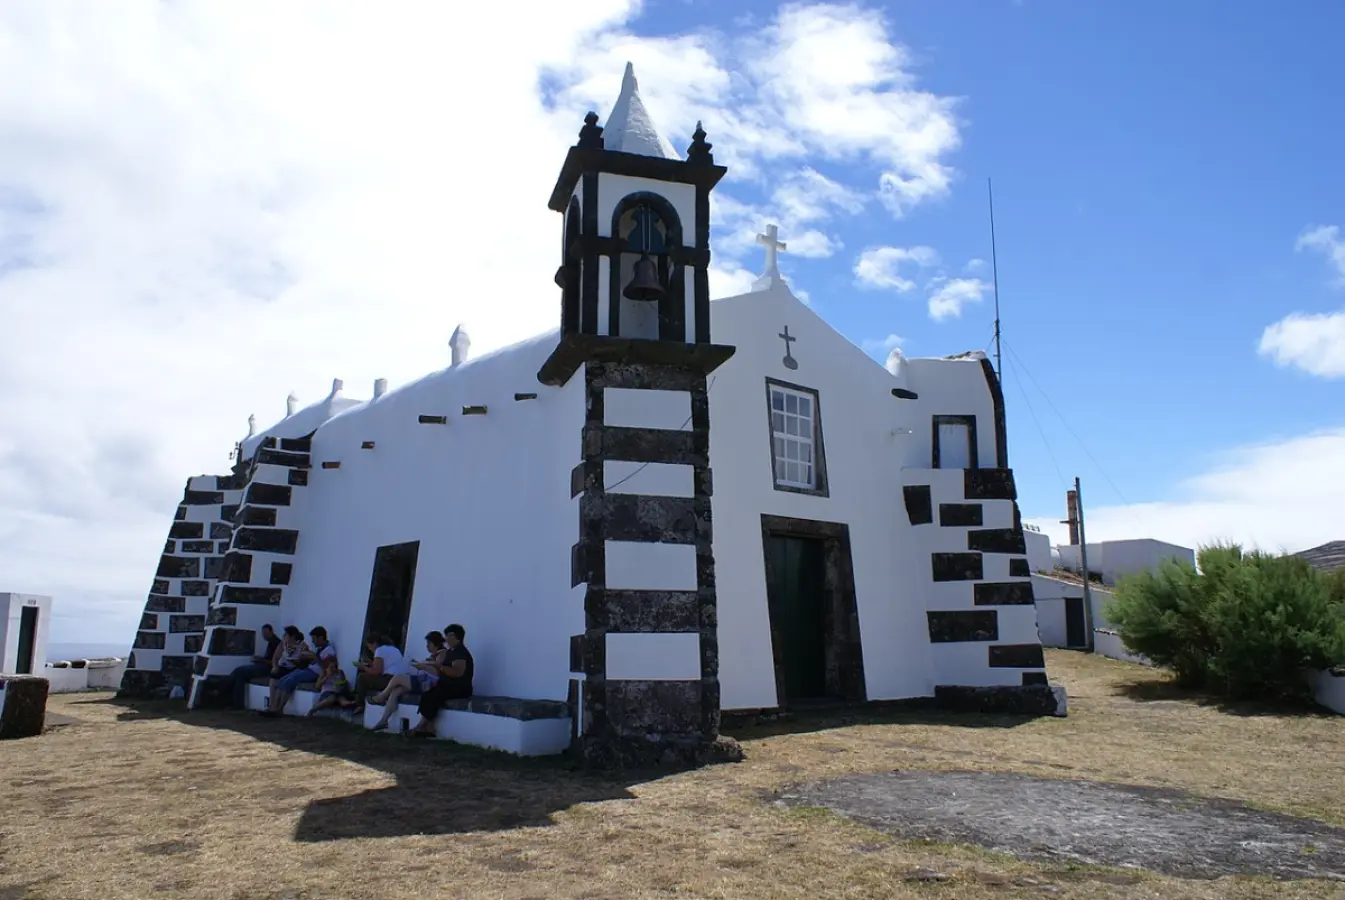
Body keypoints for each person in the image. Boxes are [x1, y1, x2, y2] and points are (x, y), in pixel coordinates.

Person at [370, 632, 447, 731]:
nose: (427, 646)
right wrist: (419, 664)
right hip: (423, 680)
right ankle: (384, 720)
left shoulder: (442, 654)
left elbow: (438, 670)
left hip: (428, 683)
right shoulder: (435, 654)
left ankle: (382, 696)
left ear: (434, 643)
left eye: (429, 643)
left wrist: (422, 666)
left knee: (397, 678)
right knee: (396, 691)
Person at [410, 623, 473, 738]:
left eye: (448, 636)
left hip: (460, 688)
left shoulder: (460, 653)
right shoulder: (451, 652)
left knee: (433, 696)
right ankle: (429, 728)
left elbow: (457, 672)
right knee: (428, 694)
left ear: (455, 636)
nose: (446, 639)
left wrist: (439, 666)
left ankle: (420, 727)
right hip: (447, 685)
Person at [349, 634, 408, 714]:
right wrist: (370, 663)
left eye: (369, 646)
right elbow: (384, 666)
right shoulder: (393, 649)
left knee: (361, 678)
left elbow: (376, 672)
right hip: (401, 679)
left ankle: (360, 704)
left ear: (374, 644)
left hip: (390, 679)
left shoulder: (379, 650)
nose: (370, 649)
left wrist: (363, 667)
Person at [261, 625, 311, 716]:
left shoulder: (302, 645)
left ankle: (277, 709)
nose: (284, 636)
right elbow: (275, 657)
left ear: (292, 636)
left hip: (294, 668)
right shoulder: (282, 644)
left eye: (286, 635)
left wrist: (295, 661)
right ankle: (272, 706)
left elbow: (304, 663)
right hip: (283, 667)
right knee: (273, 678)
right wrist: (275, 666)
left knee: (283, 680)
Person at [229, 624, 280, 709]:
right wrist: (261, 659)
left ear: (271, 632)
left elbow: (276, 663)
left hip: (269, 669)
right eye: (263, 633)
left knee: (240, 671)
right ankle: (236, 703)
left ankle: (226, 692)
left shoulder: (277, 644)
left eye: (266, 633)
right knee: (239, 673)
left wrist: (261, 660)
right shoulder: (271, 642)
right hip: (264, 666)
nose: (264, 635)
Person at [307, 628, 351, 716]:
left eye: (334, 666)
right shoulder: (324, 673)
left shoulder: (339, 672)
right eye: (331, 666)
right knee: (332, 697)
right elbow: (317, 687)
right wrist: (326, 677)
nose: (333, 668)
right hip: (327, 693)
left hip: (337, 692)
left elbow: (343, 685)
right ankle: (313, 709)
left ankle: (345, 703)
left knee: (338, 695)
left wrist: (340, 682)